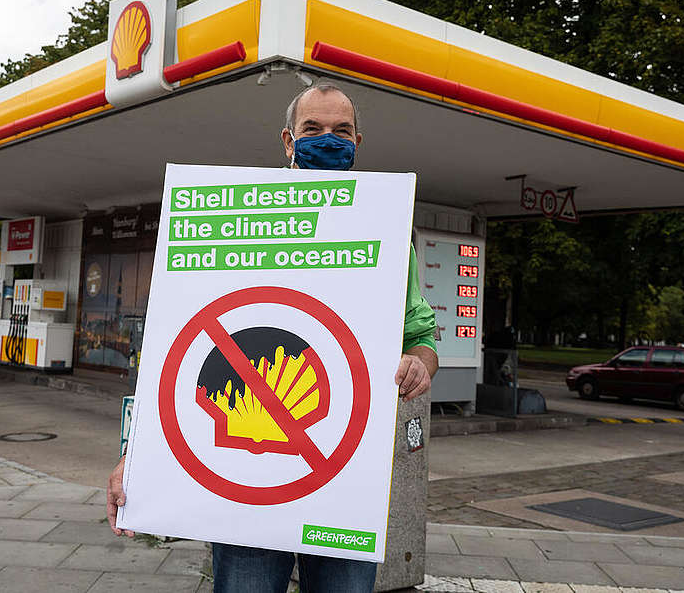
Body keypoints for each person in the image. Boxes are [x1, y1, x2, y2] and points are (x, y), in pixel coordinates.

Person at [106, 82, 439, 592]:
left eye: (341, 130)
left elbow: (421, 332)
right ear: (288, 140)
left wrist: (420, 362)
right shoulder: (232, 216)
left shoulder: (386, 226)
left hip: (342, 482)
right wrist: (140, 457)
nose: (328, 139)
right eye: (313, 129)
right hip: (243, 481)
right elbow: (175, 345)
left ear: (358, 140)